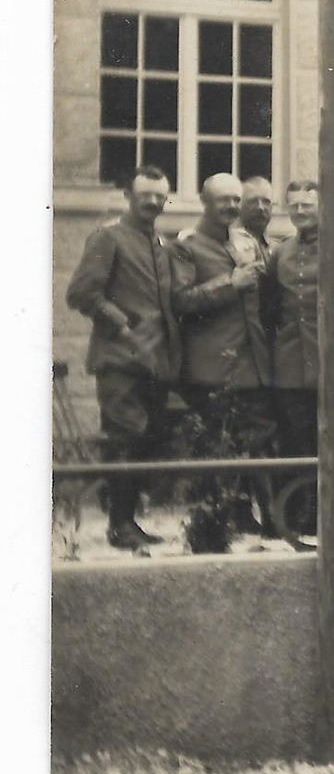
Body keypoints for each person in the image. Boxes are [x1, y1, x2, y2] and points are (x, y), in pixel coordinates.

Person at [64, 164, 182, 549]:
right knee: (126, 438)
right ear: (128, 197)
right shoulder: (109, 237)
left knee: (145, 440)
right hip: (119, 360)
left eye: (159, 195)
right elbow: (80, 293)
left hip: (154, 362)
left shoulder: (160, 243)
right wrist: (122, 323)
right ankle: (119, 525)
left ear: (167, 199)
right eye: (144, 194)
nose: (151, 202)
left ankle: (127, 518)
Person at [170, 172, 278, 536]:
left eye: (236, 200)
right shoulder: (188, 246)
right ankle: (214, 523)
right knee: (217, 444)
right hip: (211, 367)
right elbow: (181, 301)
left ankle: (248, 514)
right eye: (224, 200)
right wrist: (229, 284)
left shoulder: (244, 243)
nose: (232, 207)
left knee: (254, 439)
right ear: (204, 201)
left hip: (249, 363)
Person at [260, 179, 322, 534]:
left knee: (322, 441)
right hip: (287, 362)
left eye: (307, 206)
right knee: (292, 440)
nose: (301, 212)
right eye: (295, 206)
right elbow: (270, 309)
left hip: (327, 363)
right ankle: (291, 516)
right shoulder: (280, 253)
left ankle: (319, 514)